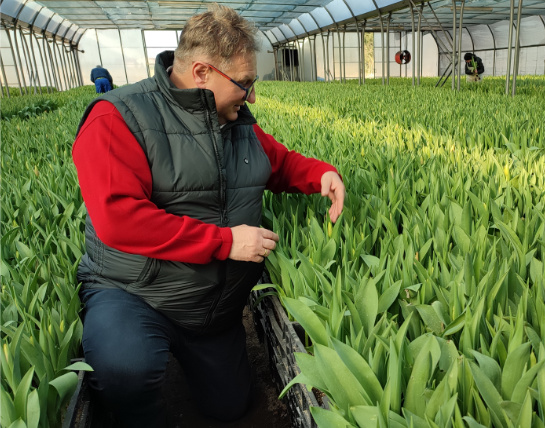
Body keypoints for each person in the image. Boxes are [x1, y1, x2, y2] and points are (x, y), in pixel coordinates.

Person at [72, 4, 345, 427]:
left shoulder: (234, 121)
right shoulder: (117, 118)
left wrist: (322, 175)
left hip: (209, 306)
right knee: (127, 369)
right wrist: (227, 242)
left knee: (231, 406)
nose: (253, 96)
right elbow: (120, 219)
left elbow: (277, 162)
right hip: (134, 293)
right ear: (202, 73)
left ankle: (194, 356)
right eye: (245, 83)